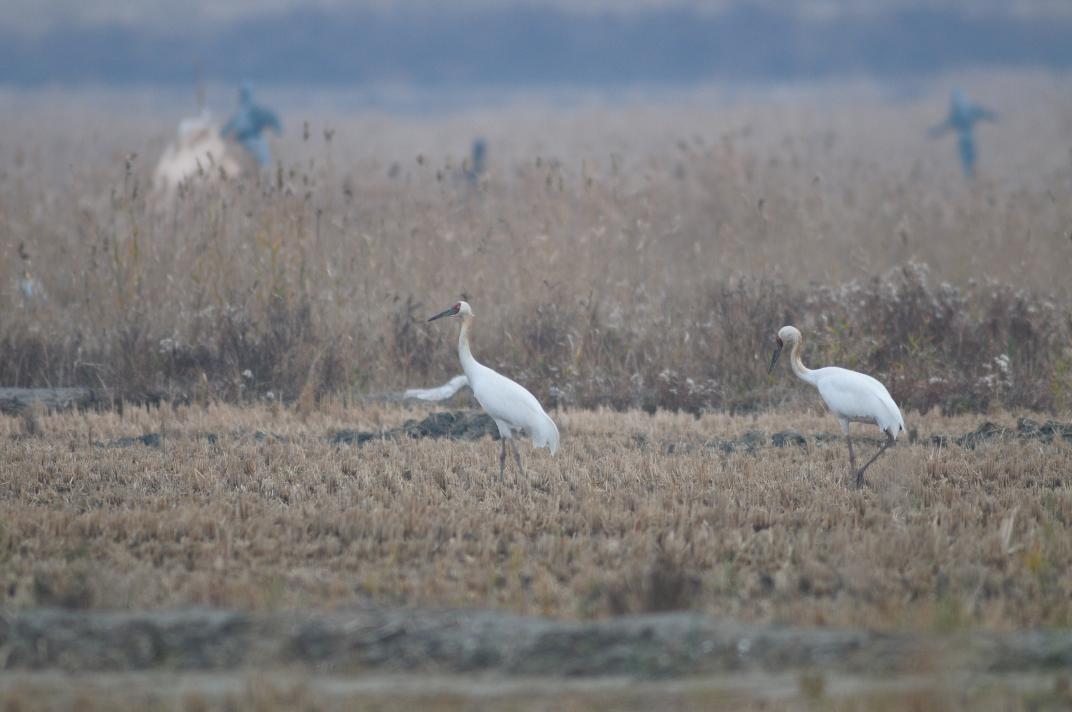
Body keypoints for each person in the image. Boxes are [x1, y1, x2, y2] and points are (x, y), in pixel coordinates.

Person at [928, 88, 997, 178]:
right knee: (971, 160)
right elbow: (983, 113)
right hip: (970, 138)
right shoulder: (969, 108)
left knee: (967, 161)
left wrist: (934, 132)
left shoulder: (956, 113)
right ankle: (973, 176)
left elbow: (946, 125)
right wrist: (994, 117)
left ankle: (971, 177)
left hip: (962, 139)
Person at [221, 82, 282, 166]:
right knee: (256, 162)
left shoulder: (252, 111)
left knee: (258, 162)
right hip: (248, 142)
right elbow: (272, 117)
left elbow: (271, 117)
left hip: (252, 142)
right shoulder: (246, 111)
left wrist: (278, 129)